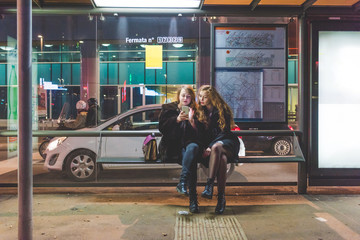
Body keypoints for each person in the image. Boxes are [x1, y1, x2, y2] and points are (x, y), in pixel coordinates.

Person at [158, 85, 202, 213]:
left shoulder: (197, 111)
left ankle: (182, 182)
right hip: (173, 147)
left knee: (192, 149)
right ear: (178, 96)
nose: (185, 98)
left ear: (192, 98)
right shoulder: (168, 109)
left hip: (190, 146)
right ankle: (193, 201)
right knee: (191, 162)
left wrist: (193, 122)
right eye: (183, 95)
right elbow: (162, 128)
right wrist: (176, 120)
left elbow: (201, 134)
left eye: (188, 96)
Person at [197, 85, 240, 214]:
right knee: (222, 159)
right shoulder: (200, 111)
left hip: (227, 142)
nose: (202, 99)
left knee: (217, 148)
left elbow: (224, 132)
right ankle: (221, 198)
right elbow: (200, 134)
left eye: (205, 97)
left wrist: (210, 146)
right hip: (213, 148)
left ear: (212, 97)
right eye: (200, 96)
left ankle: (209, 185)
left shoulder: (222, 110)